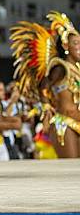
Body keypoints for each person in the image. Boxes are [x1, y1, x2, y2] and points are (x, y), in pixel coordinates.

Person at [12, 11, 80, 158]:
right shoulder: (60, 68)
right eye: (76, 43)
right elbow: (44, 85)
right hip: (65, 124)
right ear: (66, 45)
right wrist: (46, 106)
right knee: (71, 169)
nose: (79, 46)